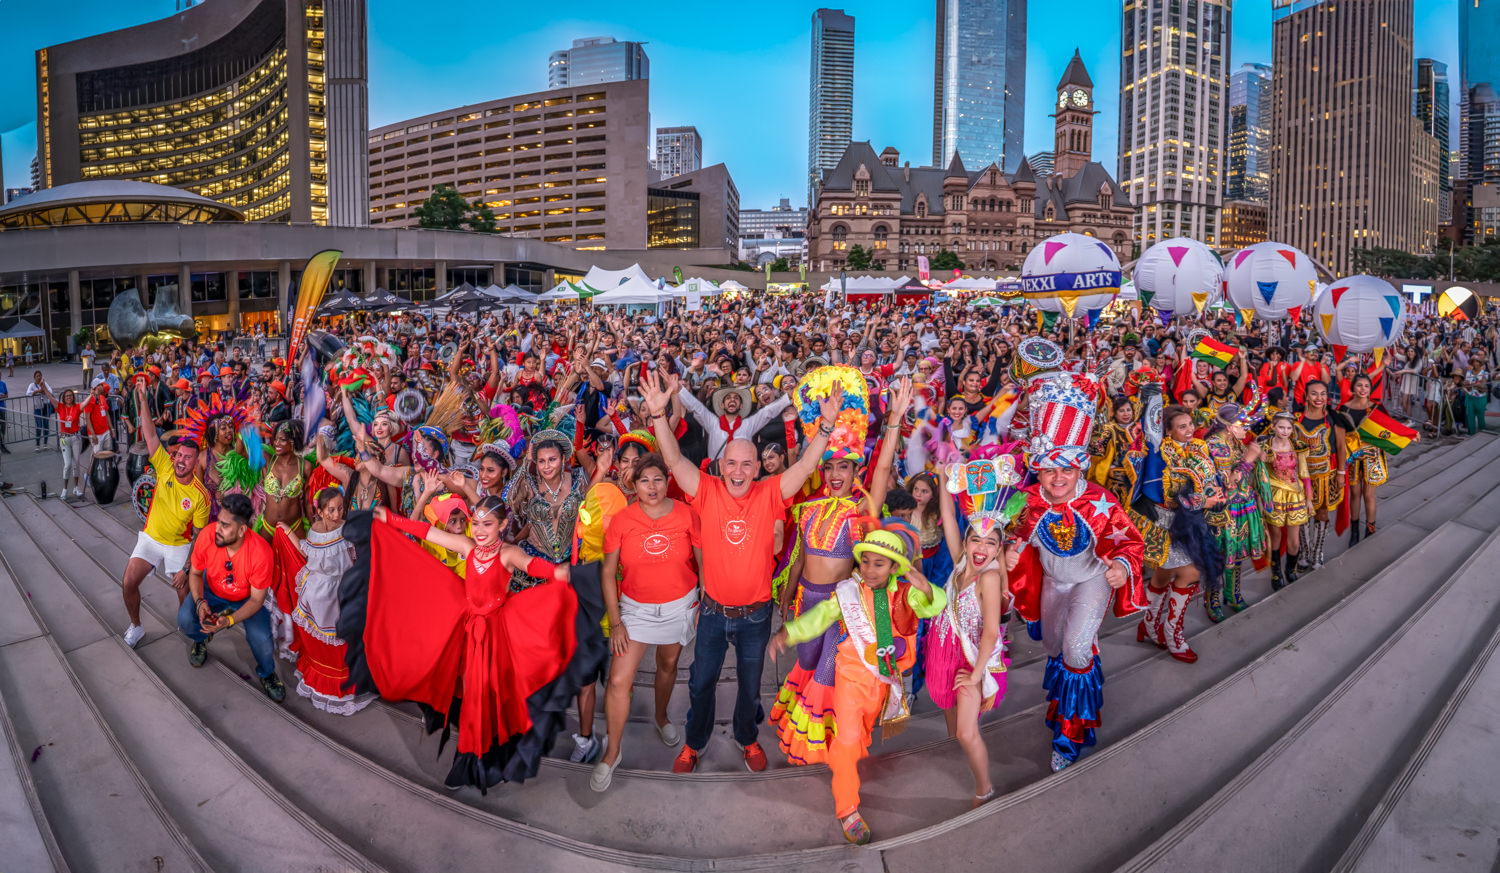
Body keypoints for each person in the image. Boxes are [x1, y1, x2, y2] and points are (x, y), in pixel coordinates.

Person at [641, 369, 836, 774]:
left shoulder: (771, 493)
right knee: (701, 684)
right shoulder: (706, 489)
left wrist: (826, 427)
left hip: (755, 616)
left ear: (757, 467)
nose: (739, 470)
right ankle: (695, 743)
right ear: (721, 464)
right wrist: (659, 415)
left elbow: (804, 468)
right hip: (713, 613)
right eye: (732, 462)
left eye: (747, 463)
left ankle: (747, 738)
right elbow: (673, 460)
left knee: (750, 687)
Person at [346, 499, 579, 792]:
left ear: (502, 525)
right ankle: (478, 756)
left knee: (488, 695)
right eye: (476, 523)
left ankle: (483, 760)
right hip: (468, 630)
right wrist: (391, 519)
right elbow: (427, 533)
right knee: (471, 694)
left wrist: (555, 572)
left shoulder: (508, 553)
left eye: (487, 524)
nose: (479, 530)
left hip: (495, 635)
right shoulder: (469, 547)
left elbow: (530, 565)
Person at [767, 522, 944, 845]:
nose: (870, 569)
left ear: (894, 568)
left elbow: (934, 604)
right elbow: (821, 615)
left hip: (882, 684)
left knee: (860, 735)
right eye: (865, 561)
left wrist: (924, 585)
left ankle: (844, 763)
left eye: (879, 563)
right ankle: (847, 807)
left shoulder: (906, 594)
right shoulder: (849, 592)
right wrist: (789, 633)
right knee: (847, 741)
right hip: (850, 677)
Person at [1004, 373, 1145, 771]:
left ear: (1080, 468)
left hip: (1091, 580)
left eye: (1066, 469)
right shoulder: (1025, 500)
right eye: (1050, 470)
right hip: (1053, 583)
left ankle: (1070, 735)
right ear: (1038, 471)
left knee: (1077, 649)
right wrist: (1007, 554)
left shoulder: (1100, 500)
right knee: (1055, 648)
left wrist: (1121, 567)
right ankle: (1062, 702)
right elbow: (1004, 535)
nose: (1058, 478)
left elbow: (1129, 543)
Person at [589, 454, 701, 791]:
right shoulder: (622, 520)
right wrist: (616, 622)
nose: (652, 487)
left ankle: (661, 716)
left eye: (657, 479)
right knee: (618, 680)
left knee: (668, 665)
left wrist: (705, 599)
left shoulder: (686, 514)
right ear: (633, 485)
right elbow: (608, 572)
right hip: (635, 609)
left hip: (679, 605)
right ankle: (612, 752)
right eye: (644, 481)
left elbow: (702, 559)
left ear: (667, 481)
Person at [928, 461, 1011, 807]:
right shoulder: (961, 562)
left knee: (966, 731)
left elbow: (991, 632)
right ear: (966, 541)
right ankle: (956, 754)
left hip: (972, 661)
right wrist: (943, 477)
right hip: (943, 652)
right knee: (951, 721)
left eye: (991, 543)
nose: (982, 548)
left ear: (998, 549)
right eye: (976, 539)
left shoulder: (989, 577)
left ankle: (984, 789)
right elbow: (949, 516)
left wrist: (976, 676)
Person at [123, 378, 211, 648]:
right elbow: (150, 435)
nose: (180, 461)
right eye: (179, 455)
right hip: (151, 538)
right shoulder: (164, 466)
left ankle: (192, 631)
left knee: (184, 592)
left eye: (187, 457)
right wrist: (142, 399)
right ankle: (136, 627)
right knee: (128, 582)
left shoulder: (200, 495)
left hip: (179, 545)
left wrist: (186, 569)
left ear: (195, 462)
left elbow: (199, 536)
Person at [271, 487, 371, 714]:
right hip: (318, 593)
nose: (337, 514)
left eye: (340, 508)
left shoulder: (347, 528)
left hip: (342, 591)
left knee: (345, 638)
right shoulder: (315, 530)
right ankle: (326, 674)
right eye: (331, 510)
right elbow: (305, 552)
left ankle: (347, 679)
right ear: (321, 511)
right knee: (325, 640)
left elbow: (356, 557)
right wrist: (288, 532)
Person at [178, 493, 285, 701]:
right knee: (185, 619)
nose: (217, 528)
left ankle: (267, 674)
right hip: (212, 588)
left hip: (247, 597)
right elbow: (196, 573)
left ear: (242, 529)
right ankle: (201, 638)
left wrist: (229, 621)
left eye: (225, 525)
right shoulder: (207, 536)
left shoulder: (261, 552)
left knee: (262, 641)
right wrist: (200, 602)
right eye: (219, 521)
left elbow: (256, 600)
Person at [1256, 411, 1311, 590]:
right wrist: (1260, 499)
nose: (1285, 431)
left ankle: (1290, 568)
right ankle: (1276, 572)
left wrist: (1309, 499)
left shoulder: (1297, 446)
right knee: (1276, 537)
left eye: (1289, 428)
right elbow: (1260, 476)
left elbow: (1304, 474)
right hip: (1274, 496)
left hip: (1295, 495)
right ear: (1273, 427)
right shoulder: (1265, 447)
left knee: (1294, 541)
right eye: (1281, 427)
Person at [1296, 381, 1344, 569]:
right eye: (1314, 393)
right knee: (1301, 512)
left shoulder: (1334, 418)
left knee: (1322, 512)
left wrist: (1341, 473)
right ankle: (1304, 551)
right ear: (1306, 396)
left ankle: (1317, 552)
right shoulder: (1296, 418)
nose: (1319, 398)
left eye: (1323, 393)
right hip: (1300, 475)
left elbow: (1341, 447)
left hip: (1326, 474)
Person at [55, 389, 85, 498]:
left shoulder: (77, 407)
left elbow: (85, 403)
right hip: (65, 439)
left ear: (73, 397)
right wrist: (44, 389)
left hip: (76, 438)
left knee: (76, 463)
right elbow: (51, 398)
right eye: (67, 396)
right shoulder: (60, 407)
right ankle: (65, 489)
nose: (69, 397)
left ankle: (76, 488)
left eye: (70, 395)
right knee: (67, 465)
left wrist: (91, 394)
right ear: (64, 398)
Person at [27, 370, 55, 451]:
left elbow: (51, 391)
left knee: (46, 426)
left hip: (46, 407)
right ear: (34, 377)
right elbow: (28, 393)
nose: (39, 377)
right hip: (38, 408)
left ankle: (45, 444)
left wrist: (44, 389)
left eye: (40, 376)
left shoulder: (45, 384)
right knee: (39, 426)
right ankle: (37, 445)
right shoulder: (32, 385)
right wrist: (37, 391)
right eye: (37, 376)